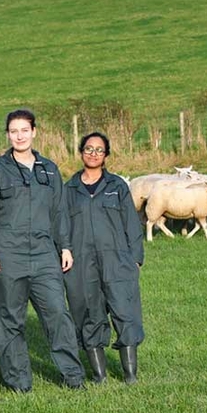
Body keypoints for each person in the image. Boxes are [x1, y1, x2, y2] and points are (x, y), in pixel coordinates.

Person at [0, 108, 85, 391]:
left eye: (24, 130)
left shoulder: (49, 169)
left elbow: (59, 211)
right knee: (9, 320)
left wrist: (65, 246)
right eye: (14, 131)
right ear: (7, 135)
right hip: (7, 255)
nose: (19, 136)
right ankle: (19, 382)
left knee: (58, 315)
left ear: (34, 132)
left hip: (43, 255)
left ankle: (73, 378)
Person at [63, 132, 144, 384]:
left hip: (117, 261)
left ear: (106, 155)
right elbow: (62, 226)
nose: (93, 154)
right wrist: (64, 251)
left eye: (99, 150)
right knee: (88, 314)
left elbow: (132, 224)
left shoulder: (117, 186)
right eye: (89, 149)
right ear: (81, 152)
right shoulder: (69, 190)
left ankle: (130, 375)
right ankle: (99, 376)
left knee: (125, 311)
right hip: (81, 263)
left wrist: (135, 259)